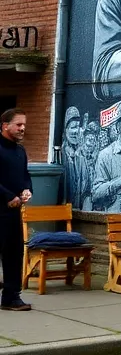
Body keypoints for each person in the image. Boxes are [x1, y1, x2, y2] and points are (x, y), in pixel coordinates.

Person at [0, 109, 32, 311]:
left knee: (14, 254)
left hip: (13, 213)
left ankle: (11, 297)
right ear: (4, 125)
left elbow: (25, 176)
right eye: (18, 124)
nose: (23, 128)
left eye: (24, 125)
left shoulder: (20, 151)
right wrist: (7, 196)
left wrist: (27, 190)